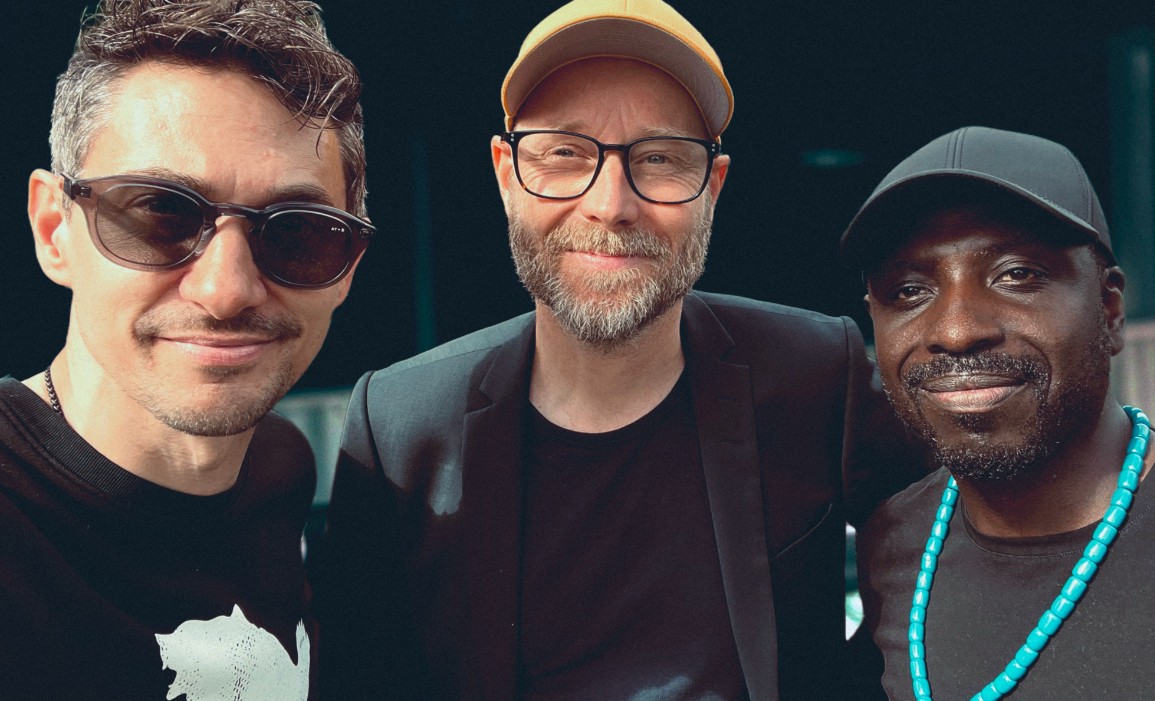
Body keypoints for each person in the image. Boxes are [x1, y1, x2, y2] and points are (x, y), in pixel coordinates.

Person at [313, 1, 914, 699]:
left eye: (659, 158)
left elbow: (953, 560)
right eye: (565, 153)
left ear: (713, 187)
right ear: (506, 175)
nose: (611, 204)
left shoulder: (818, 373)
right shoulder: (398, 427)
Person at [1, 0, 373, 698]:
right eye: (160, 212)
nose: (225, 291)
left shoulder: (279, 469)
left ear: (349, 263)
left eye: (295, 231)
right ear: (54, 229)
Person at [842, 126, 1155, 700]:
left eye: (1017, 274)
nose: (956, 331)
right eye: (908, 291)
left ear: (1110, 309)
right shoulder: (891, 544)